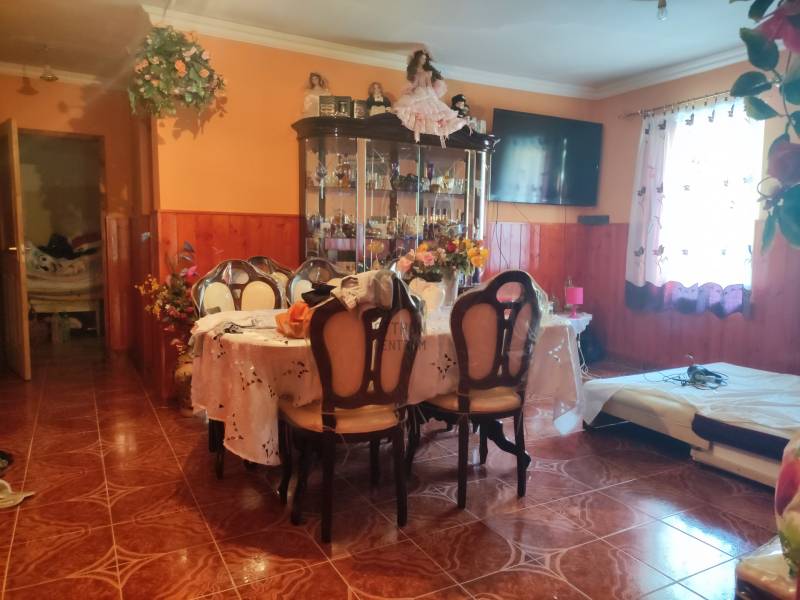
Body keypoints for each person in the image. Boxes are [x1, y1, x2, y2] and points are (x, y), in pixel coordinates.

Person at [393, 50, 465, 144]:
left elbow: (429, 85)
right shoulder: (415, 71)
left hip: (426, 92)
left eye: (425, 59)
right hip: (418, 91)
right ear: (417, 59)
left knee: (430, 111)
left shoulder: (428, 72)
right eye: (422, 58)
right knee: (411, 109)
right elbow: (415, 84)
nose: (423, 60)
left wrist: (431, 95)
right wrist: (411, 91)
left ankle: (430, 131)